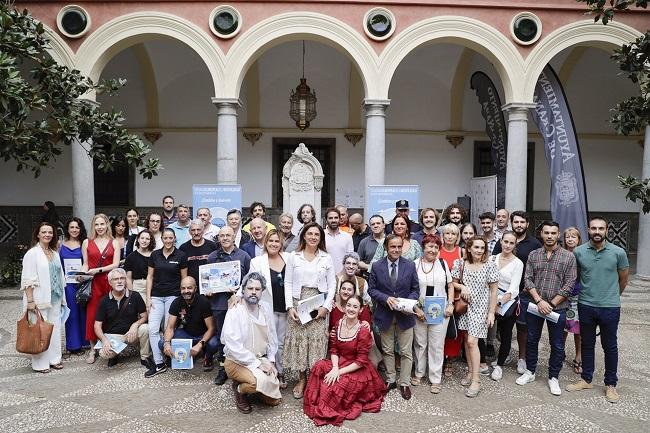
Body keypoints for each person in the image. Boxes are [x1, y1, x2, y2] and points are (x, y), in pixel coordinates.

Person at [567, 217, 629, 404]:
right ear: (588, 230)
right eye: (593, 228)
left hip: (610, 307)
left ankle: (610, 384)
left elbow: (624, 279)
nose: (597, 231)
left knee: (610, 346)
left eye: (600, 228)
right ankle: (586, 379)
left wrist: (611, 295)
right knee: (587, 344)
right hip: (586, 305)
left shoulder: (618, 252)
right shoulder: (579, 252)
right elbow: (575, 276)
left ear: (606, 230)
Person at [304, 294, 386, 426]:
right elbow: (334, 349)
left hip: (357, 368)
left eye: (355, 307)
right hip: (340, 362)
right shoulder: (339, 324)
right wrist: (335, 368)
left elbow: (361, 361)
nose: (351, 309)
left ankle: (325, 404)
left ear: (360, 310)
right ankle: (317, 401)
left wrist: (339, 372)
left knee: (332, 386)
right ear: (345, 307)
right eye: (348, 305)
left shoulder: (362, 331)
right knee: (319, 366)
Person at [516, 221, 576, 396]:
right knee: (532, 340)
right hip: (536, 306)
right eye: (546, 232)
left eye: (553, 233)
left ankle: (553, 377)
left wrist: (551, 304)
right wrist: (539, 301)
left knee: (557, 344)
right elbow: (528, 279)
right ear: (541, 234)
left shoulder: (568, 257)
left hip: (558, 308)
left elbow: (569, 284)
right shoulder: (534, 255)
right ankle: (530, 371)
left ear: (558, 235)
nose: (549, 236)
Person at [283, 222, 337, 399]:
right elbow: (288, 283)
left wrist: (326, 307)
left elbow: (332, 285)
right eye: (310, 234)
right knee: (300, 341)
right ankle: (301, 379)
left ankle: (315, 380)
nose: (313, 237)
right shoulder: (294, 256)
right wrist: (290, 306)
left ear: (320, 238)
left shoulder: (326, 258)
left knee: (315, 341)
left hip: (318, 301)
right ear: (304, 236)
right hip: (299, 302)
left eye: (317, 235)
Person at [368, 234, 420, 400]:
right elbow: (371, 289)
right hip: (385, 314)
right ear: (386, 247)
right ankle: (390, 380)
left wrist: (408, 304)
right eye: (393, 247)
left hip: (405, 315)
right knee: (388, 350)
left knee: (406, 351)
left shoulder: (410, 265)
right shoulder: (377, 266)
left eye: (399, 246)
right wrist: (385, 298)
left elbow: (415, 289)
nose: (396, 250)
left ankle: (404, 383)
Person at [223, 272, 282, 413]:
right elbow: (233, 346)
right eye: (250, 289)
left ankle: (255, 385)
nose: (253, 292)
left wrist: (271, 361)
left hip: (260, 357)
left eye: (257, 289)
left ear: (262, 291)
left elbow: (272, 336)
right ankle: (239, 389)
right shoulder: (235, 310)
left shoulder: (265, 308)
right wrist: (258, 365)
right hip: (236, 361)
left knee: (274, 401)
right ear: (243, 290)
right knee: (256, 383)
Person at [492, 210, 542, 375]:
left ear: (527, 224)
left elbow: (537, 268)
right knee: (493, 330)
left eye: (522, 222)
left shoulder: (534, 244)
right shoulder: (497, 253)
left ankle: (521, 358)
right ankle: (500, 357)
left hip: (522, 294)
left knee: (521, 328)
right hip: (493, 296)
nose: (507, 245)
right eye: (516, 222)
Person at [451, 236, 499, 398]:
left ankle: (476, 381)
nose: (479, 250)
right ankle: (471, 372)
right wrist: (462, 286)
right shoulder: (460, 264)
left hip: (481, 308)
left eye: (482, 248)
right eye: (476, 247)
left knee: (473, 341)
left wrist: (491, 312)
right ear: (469, 248)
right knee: (466, 339)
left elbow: (494, 291)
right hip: (465, 307)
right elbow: (452, 283)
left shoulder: (490, 266)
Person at [244, 229, 290, 388]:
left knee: (282, 342)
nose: (274, 244)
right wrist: (237, 296)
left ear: (281, 243)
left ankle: (281, 371)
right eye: (271, 241)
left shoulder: (289, 258)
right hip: (267, 308)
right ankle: (273, 373)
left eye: (277, 241)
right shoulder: (257, 261)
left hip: (286, 307)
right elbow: (250, 281)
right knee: (271, 341)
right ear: (265, 242)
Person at [207, 226, 252, 385]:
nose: (225, 238)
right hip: (219, 304)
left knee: (240, 337)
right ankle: (223, 369)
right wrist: (209, 290)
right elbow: (207, 282)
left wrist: (240, 290)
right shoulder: (212, 257)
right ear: (218, 238)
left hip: (238, 305)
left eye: (228, 235)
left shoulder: (244, 256)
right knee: (222, 338)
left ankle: (241, 367)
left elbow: (249, 281)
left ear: (234, 237)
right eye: (222, 235)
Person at [20, 222, 66, 373]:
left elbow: (60, 276)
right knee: (39, 331)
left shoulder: (55, 253)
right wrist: (30, 301)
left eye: (50, 232)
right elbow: (27, 279)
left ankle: (54, 359)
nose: (47, 235)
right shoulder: (32, 253)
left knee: (55, 329)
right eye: (44, 232)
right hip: (39, 299)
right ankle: (40, 364)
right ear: (38, 234)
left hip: (55, 296)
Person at [412, 234, 454, 393]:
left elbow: (450, 286)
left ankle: (435, 378)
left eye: (436, 247)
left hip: (440, 311)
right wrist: (416, 308)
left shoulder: (442, 264)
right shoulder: (414, 264)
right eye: (430, 246)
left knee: (437, 345)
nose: (433, 249)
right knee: (420, 343)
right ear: (424, 247)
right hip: (420, 310)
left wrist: (450, 304)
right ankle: (419, 373)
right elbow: (410, 288)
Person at [145, 228, 188, 378]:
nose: (168, 241)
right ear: (161, 239)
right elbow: (150, 277)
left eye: (171, 238)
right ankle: (159, 363)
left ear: (174, 239)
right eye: (165, 238)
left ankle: (169, 357)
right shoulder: (155, 255)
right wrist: (148, 298)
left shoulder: (181, 255)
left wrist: (182, 299)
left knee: (168, 328)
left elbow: (184, 279)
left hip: (173, 296)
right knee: (153, 329)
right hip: (156, 296)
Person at [81, 214, 121, 364]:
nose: (99, 227)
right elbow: (86, 263)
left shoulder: (114, 242)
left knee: (111, 314)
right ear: (93, 226)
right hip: (93, 283)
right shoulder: (87, 242)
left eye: (102, 224)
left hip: (110, 281)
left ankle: (110, 345)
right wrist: (81, 273)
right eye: (97, 224)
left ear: (107, 225)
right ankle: (92, 349)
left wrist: (98, 270)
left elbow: (116, 264)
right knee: (92, 314)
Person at [160, 276, 219, 373]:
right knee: (161, 343)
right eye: (183, 288)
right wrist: (166, 343)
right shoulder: (176, 302)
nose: (186, 291)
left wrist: (200, 344)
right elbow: (170, 327)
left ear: (195, 289)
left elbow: (211, 328)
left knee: (214, 343)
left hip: (203, 336)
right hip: (187, 335)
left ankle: (208, 356)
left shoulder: (203, 302)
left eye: (189, 288)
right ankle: (182, 356)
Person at [94, 268, 151, 368]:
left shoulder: (135, 296)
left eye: (122, 278)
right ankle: (114, 355)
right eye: (116, 279)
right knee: (104, 353)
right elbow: (97, 326)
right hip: (114, 336)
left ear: (125, 280)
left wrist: (135, 325)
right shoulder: (104, 300)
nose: (119, 281)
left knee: (145, 328)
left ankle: (144, 357)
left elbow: (144, 316)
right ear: (110, 282)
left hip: (131, 334)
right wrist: (104, 340)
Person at [490, 231, 524, 381]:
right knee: (483, 333)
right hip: (490, 297)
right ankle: (481, 361)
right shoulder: (492, 258)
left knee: (505, 335)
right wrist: (492, 302)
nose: (508, 245)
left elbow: (514, 288)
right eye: (506, 242)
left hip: (507, 301)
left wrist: (499, 303)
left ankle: (499, 365)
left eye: (511, 243)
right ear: (501, 242)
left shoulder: (518, 263)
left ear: (515, 244)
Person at [60, 217, 88, 354]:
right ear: (67, 229)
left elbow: (88, 262)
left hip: (82, 283)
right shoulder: (61, 245)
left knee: (83, 313)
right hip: (67, 285)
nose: (74, 230)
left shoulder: (85, 243)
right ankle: (73, 345)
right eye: (72, 227)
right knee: (71, 315)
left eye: (77, 227)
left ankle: (85, 342)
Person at [438, 223, 463, 377]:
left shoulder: (462, 252)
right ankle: (439, 358)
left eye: (453, 234)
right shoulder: (437, 250)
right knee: (439, 330)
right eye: (447, 233)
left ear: (457, 236)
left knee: (454, 329)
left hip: (456, 295)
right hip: (439, 295)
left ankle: (450, 359)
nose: (449, 236)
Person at [562, 227, 583, 375]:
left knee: (578, 330)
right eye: (568, 237)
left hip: (578, 296)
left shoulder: (583, 254)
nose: (570, 239)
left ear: (578, 239)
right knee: (562, 328)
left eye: (573, 237)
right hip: (562, 297)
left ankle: (579, 357)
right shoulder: (561, 254)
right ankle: (559, 354)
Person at [179, 219, 217, 284]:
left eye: (198, 230)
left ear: (203, 230)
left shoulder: (212, 246)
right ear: (189, 232)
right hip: (190, 287)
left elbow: (216, 268)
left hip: (208, 286)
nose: (196, 233)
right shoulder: (183, 248)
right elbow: (181, 270)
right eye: (193, 230)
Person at [125, 229, 155, 304]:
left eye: (147, 239)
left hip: (154, 287)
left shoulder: (155, 256)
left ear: (150, 241)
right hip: (138, 287)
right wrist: (131, 295)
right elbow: (128, 278)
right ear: (138, 239)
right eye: (142, 238)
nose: (144, 241)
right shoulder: (131, 257)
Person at [323, 207, 354, 274]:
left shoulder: (347, 236)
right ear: (326, 220)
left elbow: (350, 258)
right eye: (330, 218)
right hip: (324, 276)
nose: (333, 220)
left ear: (339, 219)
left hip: (343, 276)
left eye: (336, 218)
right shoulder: (321, 235)